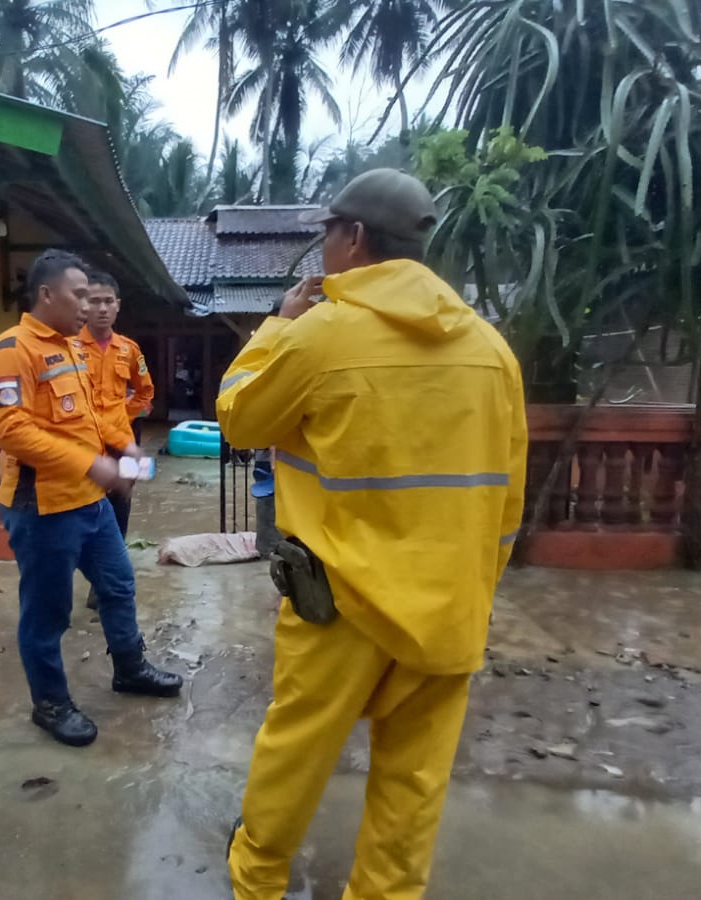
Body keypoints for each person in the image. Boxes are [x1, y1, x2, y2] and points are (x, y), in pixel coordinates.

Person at [216, 169, 528, 899]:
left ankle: (256, 880)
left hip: (339, 604)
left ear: (353, 237)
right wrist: (478, 589)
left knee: (296, 755)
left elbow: (237, 418)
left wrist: (276, 327)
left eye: (326, 233)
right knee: (414, 781)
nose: (324, 249)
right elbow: (508, 500)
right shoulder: (491, 350)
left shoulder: (320, 336)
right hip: (450, 605)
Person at [0, 249, 184, 747]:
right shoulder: (12, 350)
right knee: (48, 613)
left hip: (89, 499)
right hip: (43, 507)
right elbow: (13, 432)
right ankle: (49, 703)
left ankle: (129, 668)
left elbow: (97, 416)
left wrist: (128, 451)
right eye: (80, 296)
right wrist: (92, 464)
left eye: (96, 298)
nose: (89, 307)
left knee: (118, 584)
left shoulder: (72, 348)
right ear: (46, 295)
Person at [79, 269, 156, 610]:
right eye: (94, 301)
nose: (102, 309)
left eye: (108, 301)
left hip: (126, 439)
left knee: (121, 506)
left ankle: (105, 581)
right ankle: (96, 575)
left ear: (118, 305)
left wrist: (124, 418)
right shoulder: (69, 348)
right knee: (85, 506)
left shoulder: (129, 349)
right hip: (83, 442)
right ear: (83, 305)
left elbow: (146, 392)